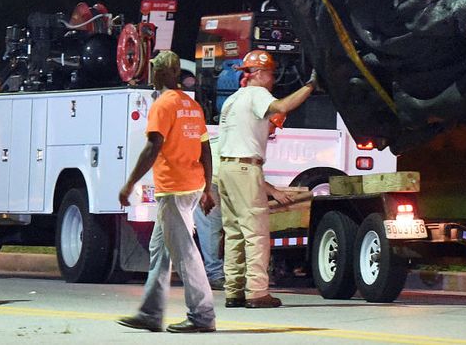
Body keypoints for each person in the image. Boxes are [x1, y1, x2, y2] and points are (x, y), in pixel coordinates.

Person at [116, 50, 217, 333]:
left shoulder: (163, 105)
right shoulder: (192, 105)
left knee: (184, 252)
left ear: (162, 73)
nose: (152, 73)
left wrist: (130, 182)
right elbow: (206, 149)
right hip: (192, 185)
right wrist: (207, 188)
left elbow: (153, 146)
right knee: (160, 249)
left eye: (155, 69)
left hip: (174, 189)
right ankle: (151, 312)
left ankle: (202, 315)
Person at [217, 49, 317, 308]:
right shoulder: (257, 94)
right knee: (256, 234)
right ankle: (257, 292)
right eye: (271, 74)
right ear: (259, 74)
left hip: (226, 170)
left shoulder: (233, 100)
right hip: (244, 169)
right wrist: (311, 85)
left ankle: (234, 290)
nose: (273, 80)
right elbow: (282, 106)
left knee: (234, 234)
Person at [193, 134, 225, 291]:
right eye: (273, 127)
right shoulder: (243, 139)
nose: (272, 133)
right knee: (211, 227)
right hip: (209, 182)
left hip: (210, 181)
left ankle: (215, 273)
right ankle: (215, 275)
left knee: (212, 228)